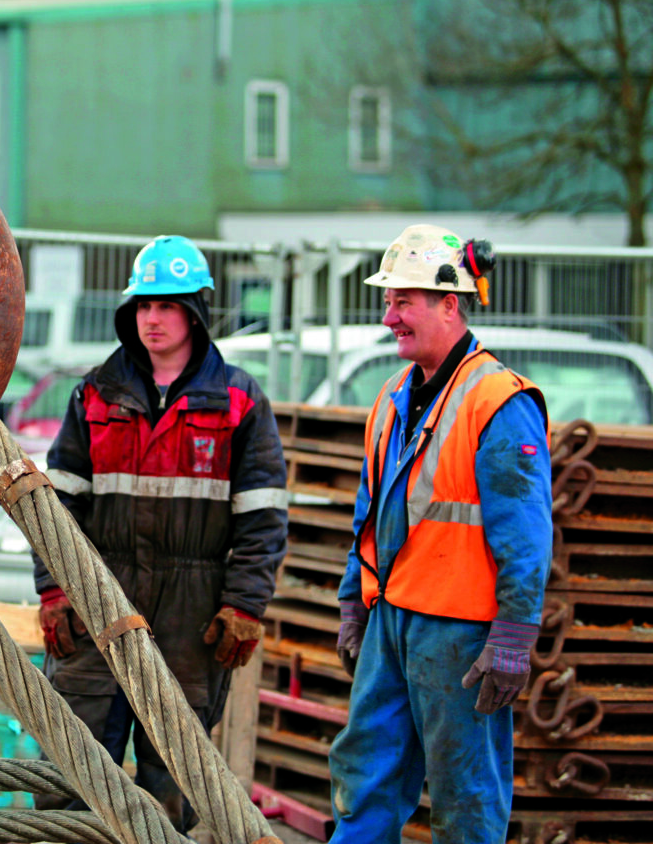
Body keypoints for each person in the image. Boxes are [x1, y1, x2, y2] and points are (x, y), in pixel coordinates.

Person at [32, 234, 288, 831]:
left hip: (191, 614)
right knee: (70, 768)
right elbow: (55, 507)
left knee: (173, 784)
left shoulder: (240, 403)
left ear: (195, 312)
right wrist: (53, 589)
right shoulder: (94, 394)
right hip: (99, 598)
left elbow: (262, 517)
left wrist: (244, 603)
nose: (153, 318)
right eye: (144, 306)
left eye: (168, 305)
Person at [328, 224, 552, 842]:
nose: (388, 316)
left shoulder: (499, 402)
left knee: (465, 797)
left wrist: (513, 635)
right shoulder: (395, 397)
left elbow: (525, 536)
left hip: (460, 634)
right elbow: (370, 514)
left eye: (403, 300)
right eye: (387, 300)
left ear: (449, 304)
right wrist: (355, 598)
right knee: (364, 778)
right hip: (393, 620)